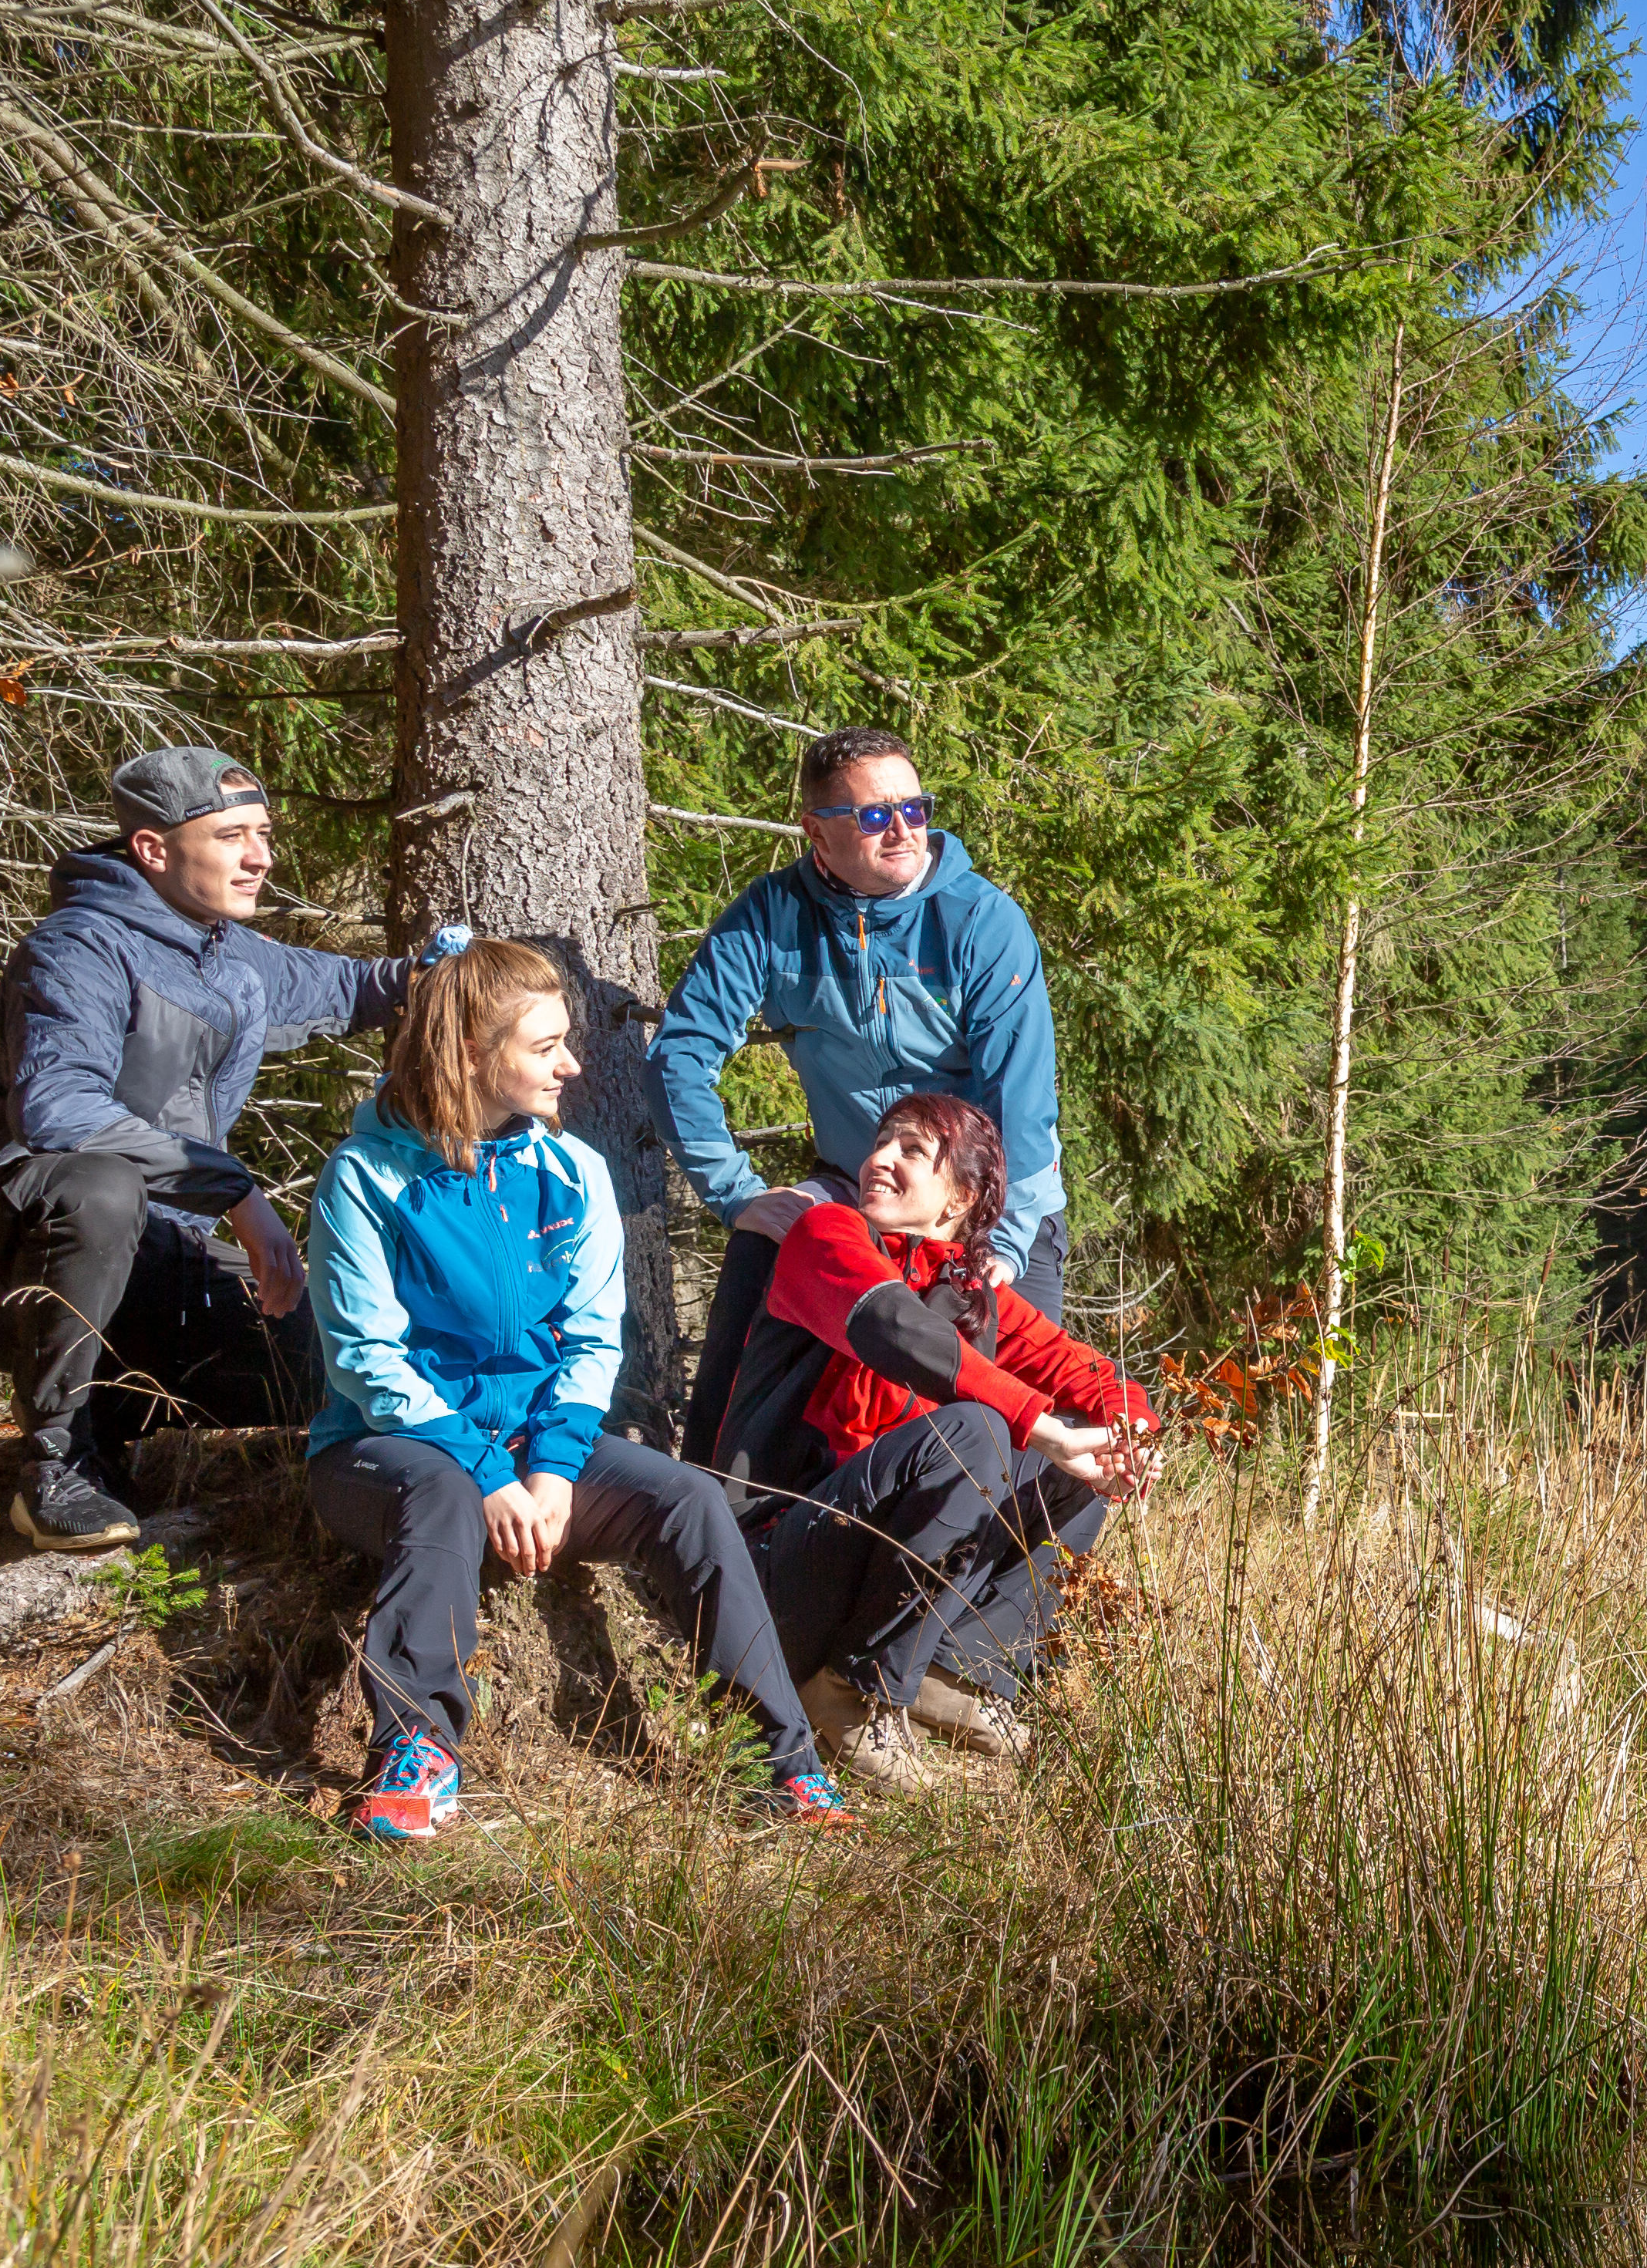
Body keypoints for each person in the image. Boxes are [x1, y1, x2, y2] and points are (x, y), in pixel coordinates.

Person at [305, 939, 848, 1842]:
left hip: (533, 1453)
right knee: (439, 1487)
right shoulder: (366, 1180)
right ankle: (417, 1755)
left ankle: (780, 1766)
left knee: (686, 1501)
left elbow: (592, 1343)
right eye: (545, 1046)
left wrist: (553, 1473)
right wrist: (488, 1472)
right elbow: (367, 1361)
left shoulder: (571, 1173)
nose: (572, 1065)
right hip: (384, 1454)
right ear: (473, 1055)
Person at [0, 745, 456, 1552]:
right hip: (2, 1258)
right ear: (153, 849)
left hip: (159, 1258)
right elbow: (58, 1111)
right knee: (99, 1189)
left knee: (330, 1363)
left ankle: (103, 1405)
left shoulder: (227, 951)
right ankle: (59, 1466)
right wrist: (234, 1191)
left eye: (264, 833)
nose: (260, 857)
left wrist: (446, 976)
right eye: (233, 836)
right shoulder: (76, 950)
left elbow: (351, 988)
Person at [706, 1090, 1153, 1791]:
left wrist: (1131, 1436)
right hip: (766, 1569)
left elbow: (1093, 1374)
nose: (878, 1159)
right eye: (881, 1141)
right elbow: (892, 1327)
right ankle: (851, 1690)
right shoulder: (824, 1236)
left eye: (911, 1150)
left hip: (857, 1565)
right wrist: (1035, 1421)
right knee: (975, 1429)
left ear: (963, 1198)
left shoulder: (976, 1298)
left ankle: (955, 1672)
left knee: (1079, 1464)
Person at [653, 725, 1069, 1468]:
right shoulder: (773, 917)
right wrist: (735, 1193)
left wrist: (995, 1241)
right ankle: (706, 1520)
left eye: (916, 808)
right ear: (817, 831)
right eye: (874, 816)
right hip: (856, 1184)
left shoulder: (981, 922)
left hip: (991, 1203)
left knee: (1019, 1419)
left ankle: (1009, 1571)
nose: (904, 829)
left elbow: (1024, 1105)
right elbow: (679, 1054)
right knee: (757, 1263)